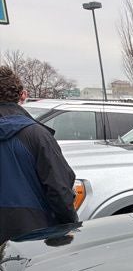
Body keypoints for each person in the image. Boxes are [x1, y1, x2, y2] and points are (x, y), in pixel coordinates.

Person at [0, 66, 78, 245]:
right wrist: (70, 225)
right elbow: (59, 189)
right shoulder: (36, 135)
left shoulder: (34, 134)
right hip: (31, 236)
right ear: (23, 95)